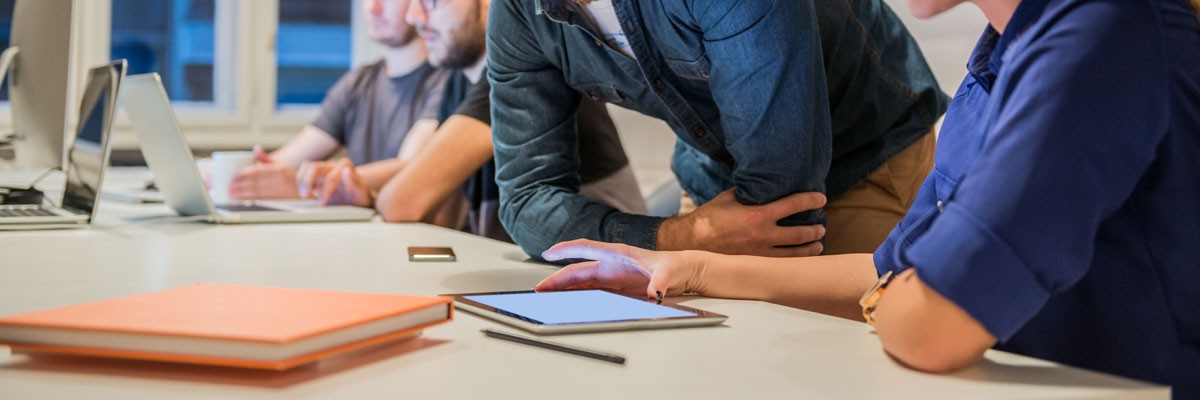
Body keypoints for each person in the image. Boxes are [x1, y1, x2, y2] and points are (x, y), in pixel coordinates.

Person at [533, 0, 1200, 395]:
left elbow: (933, 326)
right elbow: (896, 266)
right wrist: (697, 271)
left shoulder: (1103, 33)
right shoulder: (1007, 51)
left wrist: (908, 289)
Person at [487, 0, 949, 259]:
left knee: (837, 357)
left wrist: (689, 243)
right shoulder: (518, 14)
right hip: (715, 178)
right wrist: (680, 238)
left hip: (865, 150)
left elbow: (781, 202)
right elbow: (527, 202)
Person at [310, 0, 646, 241]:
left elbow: (404, 202)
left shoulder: (522, 75)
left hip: (610, 270)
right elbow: (438, 203)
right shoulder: (460, 80)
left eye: (431, 3)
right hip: (538, 266)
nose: (415, 17)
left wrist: (367, 188)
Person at [226, 0, 449, 201]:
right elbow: (288, 160)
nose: (373, 7)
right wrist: (237, 173)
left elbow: (412, 168)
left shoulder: (447, 81)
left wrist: (316, 181)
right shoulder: (359, 82)